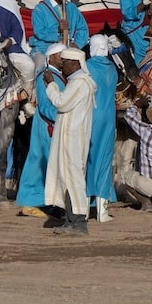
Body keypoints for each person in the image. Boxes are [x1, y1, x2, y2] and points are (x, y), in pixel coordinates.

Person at [43, 48, 95, 235]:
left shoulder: (80, 83)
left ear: (75, 63)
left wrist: (51, 85)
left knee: (74, 179)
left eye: (65, 61)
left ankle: (79, 223)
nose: (62, 64)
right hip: (68, 138)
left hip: (73, 140)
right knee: (66, 178)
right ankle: (70, 221)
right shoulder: (77, 82)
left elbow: (61, 102)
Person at [16, 42, 65, 218]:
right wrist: (65, 117)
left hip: (53, 125)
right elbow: (45, 105)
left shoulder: (58, 76)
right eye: (61, 55)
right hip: (47, 125)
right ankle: (32, 201)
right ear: (51, 57)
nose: (64, 59)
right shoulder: (46, 76)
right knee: (40, 162)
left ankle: (47, 200)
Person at [85, 34, 118, 223]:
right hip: (109, 117)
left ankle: (83, 205)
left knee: (88, 159)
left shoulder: (88, 66)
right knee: (105, 160)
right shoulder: (112, 68)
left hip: (92, 116)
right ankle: (102, 212)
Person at [29, 0, 89, 72]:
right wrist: (57, 30)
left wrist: (77, 44)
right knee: (40, 68)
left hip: (68, 49)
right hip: (44, 49)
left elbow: (82, 29)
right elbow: (39, 32)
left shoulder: (72, 8)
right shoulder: (40, 9)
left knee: (84, 70)